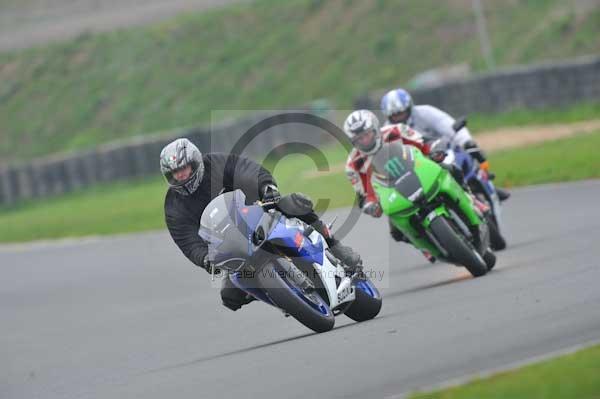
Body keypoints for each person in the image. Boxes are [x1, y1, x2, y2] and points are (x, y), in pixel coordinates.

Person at [160, 138, 362, 311]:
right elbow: (186, 239)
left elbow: (247, 170)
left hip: (258, 213)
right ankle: (284, 296)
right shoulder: (173, 206)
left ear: (195, 162)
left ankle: (335, 246)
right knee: (230, 297)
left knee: (295, 203)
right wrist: (204, 258)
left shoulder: (216, 163)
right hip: (231, 246)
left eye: (184, 169)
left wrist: (266, 187)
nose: (181, 176)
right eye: (175, 173)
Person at [380, 88, 510, 201]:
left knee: (471, 153)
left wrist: (466, 141)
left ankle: (486, 187)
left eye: (401, 113)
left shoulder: (425, 112)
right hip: (417, 166)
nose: (399, 117)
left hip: (445, 152)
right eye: (395, 115)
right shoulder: (386, 131)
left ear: (409, 108)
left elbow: (447, 124)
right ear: (388, 116)